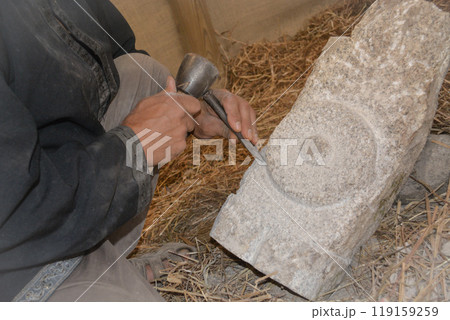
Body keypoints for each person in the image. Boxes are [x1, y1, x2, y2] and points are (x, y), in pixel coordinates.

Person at [0, 0, 258, 301]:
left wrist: (191, 110)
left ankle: (102, 259)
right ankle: (83, 278)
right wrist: (130, 148)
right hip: (17, 257)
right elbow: (18, 208)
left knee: (142, 75)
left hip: (57, 182)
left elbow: (119, 49)